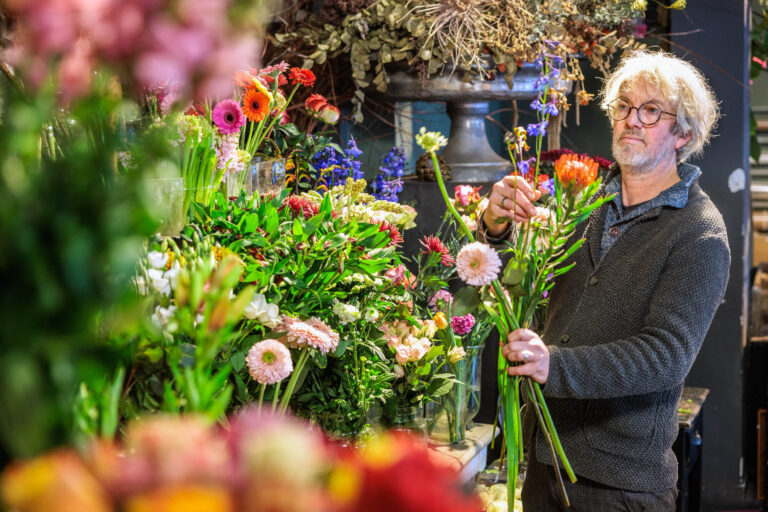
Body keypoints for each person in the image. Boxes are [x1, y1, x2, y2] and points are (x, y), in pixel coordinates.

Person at [480, 50, 730, 511]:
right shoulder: (591, 199)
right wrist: (497, 226)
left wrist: (554, 365)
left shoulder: (700, 232)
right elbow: (526, 270)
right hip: (545, 460)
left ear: (684, 134)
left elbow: (665, 357)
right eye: (624, 106)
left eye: (651, 110)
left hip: (619, 485)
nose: (631, 120)